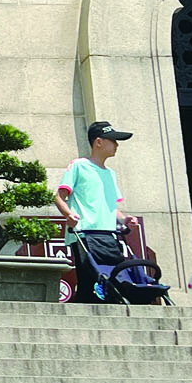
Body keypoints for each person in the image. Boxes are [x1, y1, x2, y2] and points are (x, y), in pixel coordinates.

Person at [54, 121, 132, 301]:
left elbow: (112, 207)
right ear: (98, 142)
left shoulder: (111, 174)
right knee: (88, 281)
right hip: (84, 234)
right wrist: (69, 215)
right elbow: (59, 197)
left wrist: (125, 219)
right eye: (113, 140)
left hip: (108, 236)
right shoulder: (79, 166)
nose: (117, 145)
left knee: (112, 280)